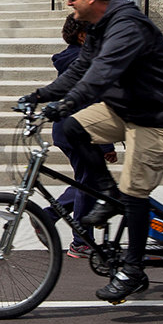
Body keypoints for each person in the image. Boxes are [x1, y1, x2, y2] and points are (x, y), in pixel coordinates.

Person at [26, 0, 163, 303]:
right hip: (129, 108)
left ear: (92, 0)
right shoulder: (99, 26)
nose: (69, 2)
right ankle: (107, 191)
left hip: (161, 117)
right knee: (72, 127)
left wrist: (68, 102)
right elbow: (80, 70)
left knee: (134, 189)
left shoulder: (127, 26)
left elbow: (102, 74)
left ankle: (132, 270)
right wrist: (40, 96)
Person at [48, 13, 116, 255]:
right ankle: (81, 241)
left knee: (88, 181)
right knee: (89, 184)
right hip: (80, 131)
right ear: (82, 36)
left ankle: (50, 215)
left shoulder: (70, 59)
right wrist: (106, 145)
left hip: (67, 129)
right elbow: (92, 103)